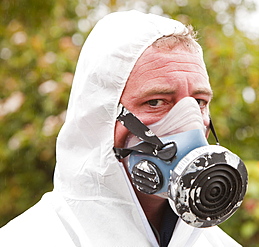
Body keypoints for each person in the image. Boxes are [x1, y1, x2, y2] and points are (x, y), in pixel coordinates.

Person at [0, 10, 243, 246]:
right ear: (100, 117)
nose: (189, 124)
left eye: (199, 102)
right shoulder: (27, 239)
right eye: (156, 102)